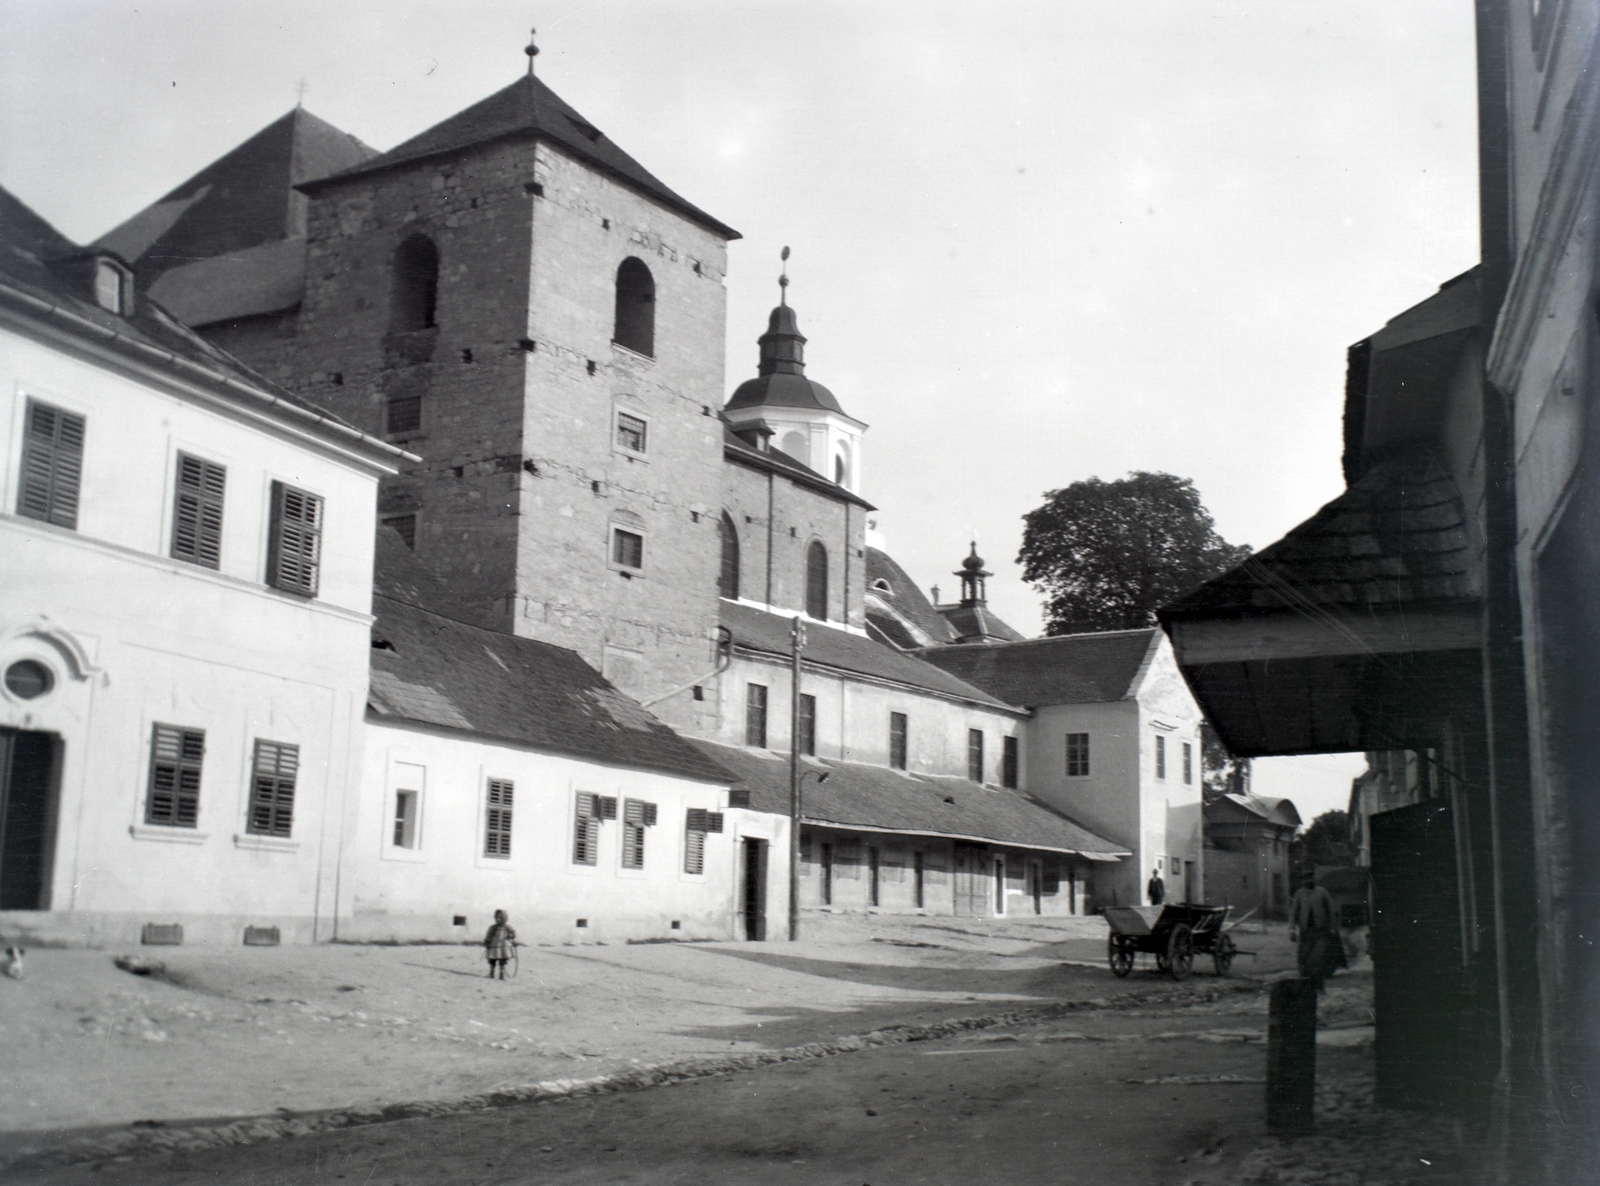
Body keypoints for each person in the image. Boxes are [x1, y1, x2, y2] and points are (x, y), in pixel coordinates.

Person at [1289, 873, 1345, 991]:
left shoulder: (1322, 892)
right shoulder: (1299, 894)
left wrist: (1332, 927)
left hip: (1321, 931)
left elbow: (1331, 910)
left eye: (1310, 878)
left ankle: (1319, 987)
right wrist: (1292, 929)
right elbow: (1293, 912)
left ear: (1313, 879)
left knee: (1318, 958)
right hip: (1305, 932)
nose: (1307, 881)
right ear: (1302, 881)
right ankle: (1305, 988)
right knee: (1303, 959)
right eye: (1304, 878)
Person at [484, 909, 516, 979]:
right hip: (494, 946)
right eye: (497, 918)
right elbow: (488, 935)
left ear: (504, 918)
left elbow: (513, 934)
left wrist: (510, 936)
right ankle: (492, 973)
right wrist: (487, 942)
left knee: (503, 960)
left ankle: (501, 974)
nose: (498, 920)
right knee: (492, 960)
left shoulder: (507, 927)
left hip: (503, 947)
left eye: (500, 918)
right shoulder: (493, 927)